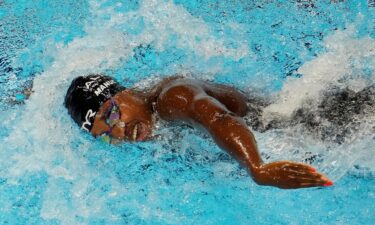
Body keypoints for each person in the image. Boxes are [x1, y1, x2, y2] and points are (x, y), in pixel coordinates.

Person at [64, 74, 333, 189]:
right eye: (106, 135)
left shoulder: (173, 98)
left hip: (321, 121)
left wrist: (256, 168)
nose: (120, 131)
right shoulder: (156, 123)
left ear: (125, 94)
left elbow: (219, 118)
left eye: (111, 114)